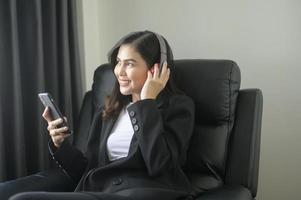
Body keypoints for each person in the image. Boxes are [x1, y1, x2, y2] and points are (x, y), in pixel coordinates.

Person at [9, 31, 195, 200]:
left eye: (129, 64)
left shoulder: (178, 106)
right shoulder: (110, 108)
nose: (119, 71)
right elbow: (88, 171)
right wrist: (60, 144)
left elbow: (159, 165)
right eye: (118, 62)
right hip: (102, 191)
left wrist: (146, 104)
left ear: (156, 69)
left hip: (145, 192)